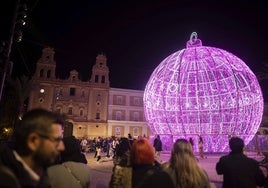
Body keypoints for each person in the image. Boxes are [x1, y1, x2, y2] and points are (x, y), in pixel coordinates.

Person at [0, 108, 65, 187]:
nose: (62, 147)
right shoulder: (5, 181)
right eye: (57, 140)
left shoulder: (39, 176)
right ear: (33, 141)